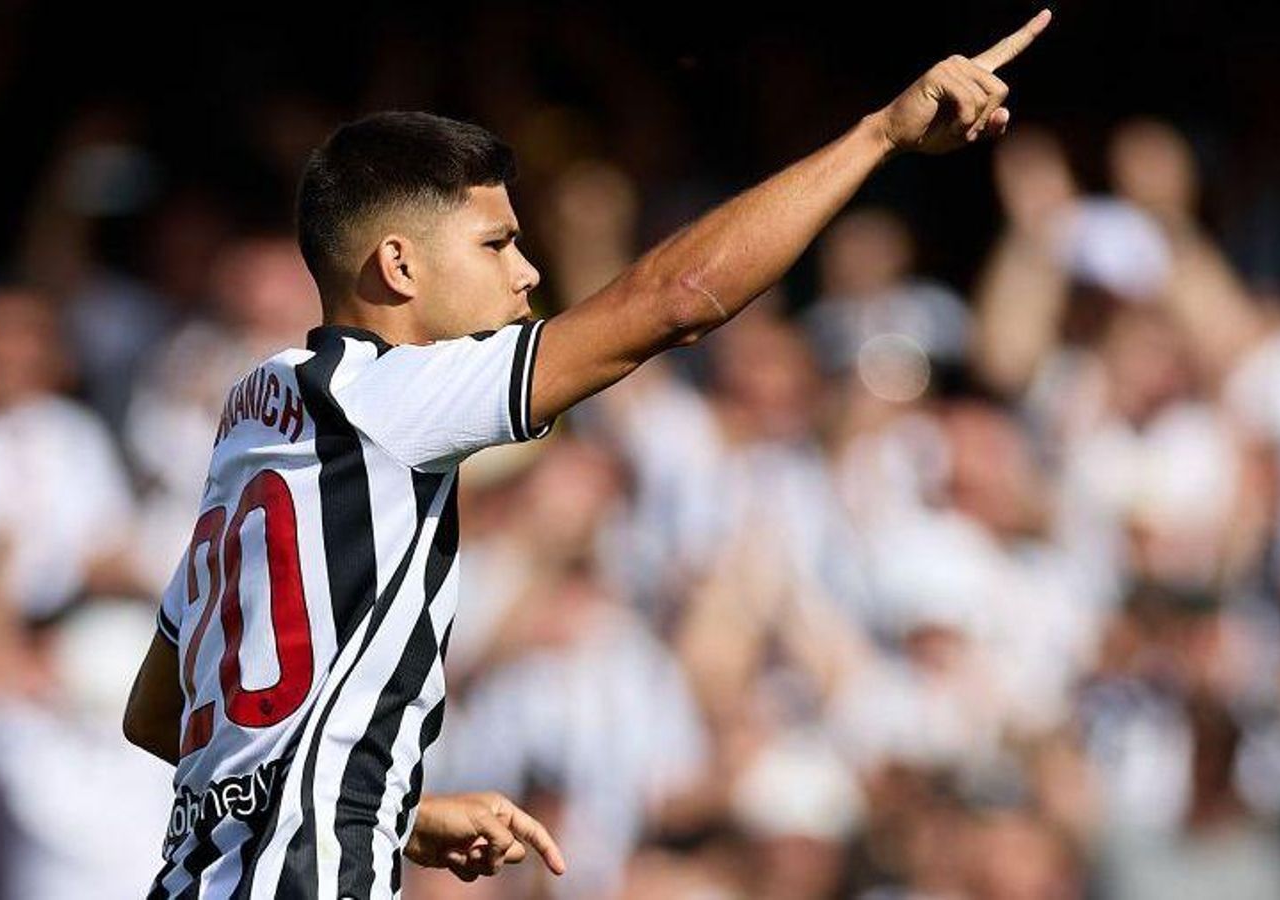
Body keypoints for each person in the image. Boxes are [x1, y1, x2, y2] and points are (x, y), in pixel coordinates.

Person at [122, 10, 1052, 897]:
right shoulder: (389, 396)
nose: (528, 274)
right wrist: (879, 136)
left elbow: (159, 715)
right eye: (498, 243)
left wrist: (394, 811)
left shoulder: (259, 414)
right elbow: (677, 300)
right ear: (399, 268)